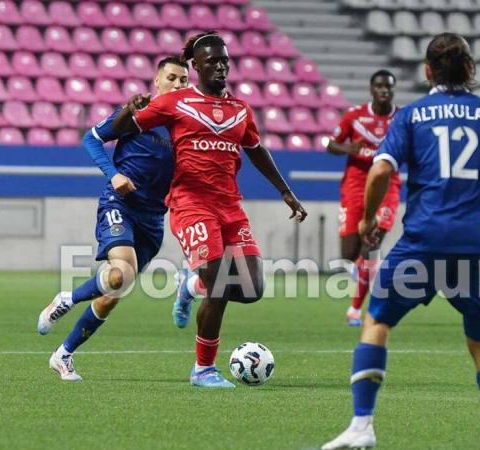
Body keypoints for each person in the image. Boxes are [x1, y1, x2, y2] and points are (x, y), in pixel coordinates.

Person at [322, 33, 480, 450]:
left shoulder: (412, 116)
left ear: (427, 72)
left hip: (422, 242)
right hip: (476, 246)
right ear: (470, 70)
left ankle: (362, 426)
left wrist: (368, 219)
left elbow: (381, 171)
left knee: (377, 322)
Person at [111, 31, 308, 388]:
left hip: (230, 207)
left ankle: (190, 285)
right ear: (196, 66)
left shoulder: (240, 109)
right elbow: (123, 127)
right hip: (190, 204)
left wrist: (286, 191)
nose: (220, 65)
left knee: (251, 288)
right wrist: (128, 110)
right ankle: (203, 369)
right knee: (219, 281)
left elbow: (257, 149)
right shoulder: (176, 103)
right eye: (212, 60)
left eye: (224, 60)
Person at [37, 57, 190, 381]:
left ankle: (63, 355)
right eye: (172, 78)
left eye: (184, 80)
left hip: (153, 219)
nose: (179, 85)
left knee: (112, 294)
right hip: (119, 202)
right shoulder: (139, 113)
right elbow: (91, 139)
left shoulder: (188, 124)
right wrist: (115, 173)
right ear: (157, 82)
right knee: (119, 275)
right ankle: (67, 299)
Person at [327, 70, 400, 327]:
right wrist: (348, 148)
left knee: (371, 244)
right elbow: (330, 144)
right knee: (350, 253)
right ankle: (368, 273)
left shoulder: (401, 118)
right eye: (379, 86)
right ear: (371, 89)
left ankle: (355, 310)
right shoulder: (355, 116)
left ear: (393, 90)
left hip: (388, 186)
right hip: (355, 185)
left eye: (388, 87)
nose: (384, 91)